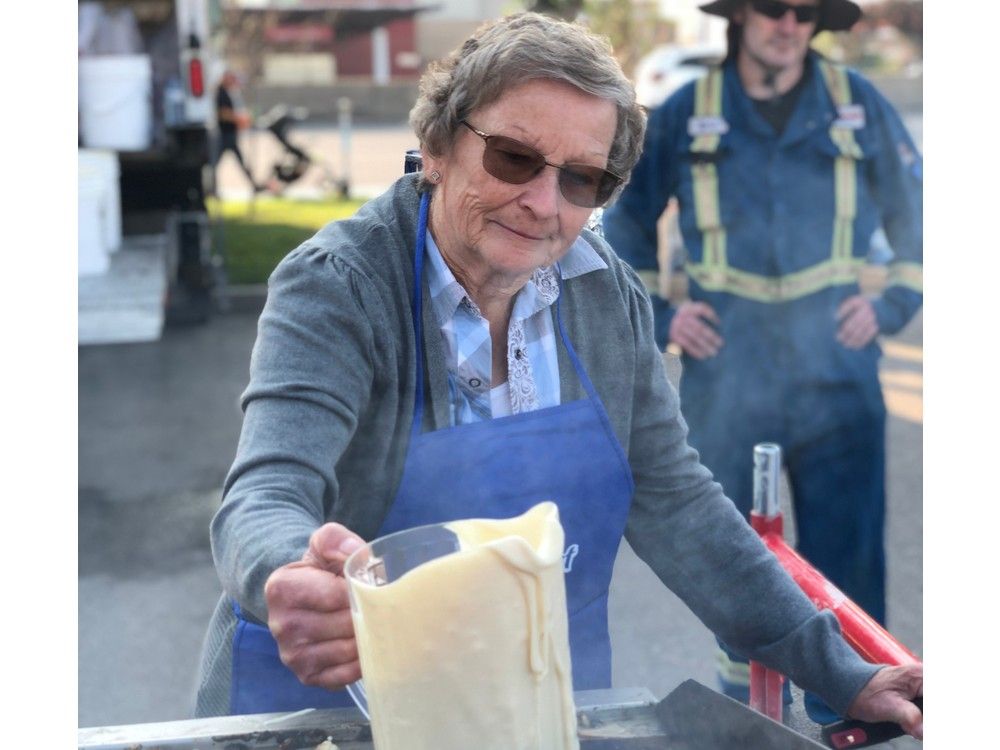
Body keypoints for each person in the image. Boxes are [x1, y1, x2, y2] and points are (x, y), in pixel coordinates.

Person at [194, 11, 922, 738]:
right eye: (514, 158)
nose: (544, 203)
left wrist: (841, 671)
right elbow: (264, 493)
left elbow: (679, 506)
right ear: (438, 145)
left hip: (519, 704)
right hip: (330, 712)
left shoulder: (604, 295)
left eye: (582, 180)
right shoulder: (340, 286)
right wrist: (286, 572)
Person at [601, 0, 922, 724]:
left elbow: (917, 212)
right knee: (733, 557)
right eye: (775, 7)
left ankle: (857, 717)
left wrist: (892, 305)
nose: (790, 24)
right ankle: (749, 713)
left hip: (837, 372)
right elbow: (624, 222)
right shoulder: (687, 112)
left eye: (807, 13)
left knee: (849, 563)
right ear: (741, 15)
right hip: (728, 372)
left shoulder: (857, 104)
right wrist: (663, 314)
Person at [213, 70, 262, 193]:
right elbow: (222, 113)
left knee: (239, 161)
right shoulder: (221, 93)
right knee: (215, 163)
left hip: (231, 134)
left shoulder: (230, 93)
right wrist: (239, 119)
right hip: (225, 134)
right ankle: (211, 187)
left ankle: (253, 184)